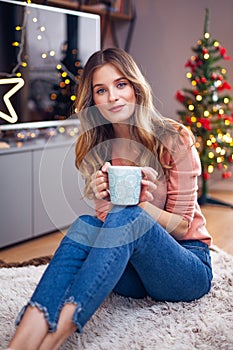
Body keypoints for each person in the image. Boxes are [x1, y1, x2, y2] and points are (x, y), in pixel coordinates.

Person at [7, 47, 213, 350]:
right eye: (101, 90)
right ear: (93, 101)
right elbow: (109, 238)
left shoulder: (173, 137)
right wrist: (107, 201)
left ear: (135, 87)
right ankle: (21, 343)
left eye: (121, 84)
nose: (113, 97)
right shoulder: (101, 150)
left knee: (128, 216)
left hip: (186, 267)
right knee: (85, 225)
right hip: (136, 274)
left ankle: (52, 341)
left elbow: (183, 227)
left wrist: (139, 205)